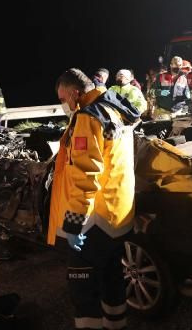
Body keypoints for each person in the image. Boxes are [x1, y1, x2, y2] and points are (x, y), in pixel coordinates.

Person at [48, 68, 140, 330]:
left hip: (94, 221)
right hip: (119, 213)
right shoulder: (116, 109)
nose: (64, 104)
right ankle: (116, 324)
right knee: (112, 278)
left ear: (75, 93)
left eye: (64, 98)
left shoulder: (89, 119)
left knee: (83, 289)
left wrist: (74, 225)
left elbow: (86, 175)